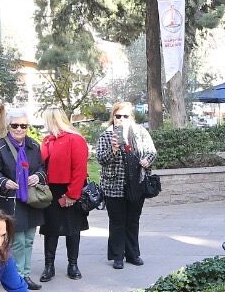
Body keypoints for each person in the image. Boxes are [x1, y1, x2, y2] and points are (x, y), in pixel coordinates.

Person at [96, 101, 156, 270]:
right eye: (118, 116)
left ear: (132, 117)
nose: (121, 119)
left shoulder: (141, 132)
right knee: (117, 222)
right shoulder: (107, 135)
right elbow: (101, 159)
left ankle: (133, 254)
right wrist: (113, 150)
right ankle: (117, 256)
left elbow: (152, 151)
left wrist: (147, 160)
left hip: (136, 183)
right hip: (113, 185)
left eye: (125, 116)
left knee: (133, 220)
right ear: (113, 117)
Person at [0, 107, 44, 289]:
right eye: (15, 125)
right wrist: (4, 182)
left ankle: (25, 274)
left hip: (31, 198)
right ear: (8, 126)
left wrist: (38, 176)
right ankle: (18, 277)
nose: (19, 129)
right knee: (17, 242)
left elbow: (43, 169)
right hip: (12, 200)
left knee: (29, 240)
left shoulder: (34, 145)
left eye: (23, 125)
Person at [39, 107, 88, 282]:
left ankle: (72, 264)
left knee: (73, 230)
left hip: (70, 189)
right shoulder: (46, 140)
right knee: (50, 229)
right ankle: (49, 265)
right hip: (51, 191)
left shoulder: (75, 139)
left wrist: (72, 195)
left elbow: (80, 169)